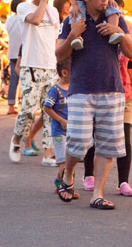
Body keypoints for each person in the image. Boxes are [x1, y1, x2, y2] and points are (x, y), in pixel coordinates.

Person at [55, 0, 132, 209]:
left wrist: (118, 34)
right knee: (78, 141)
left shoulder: (116, 18)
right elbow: (59, 56)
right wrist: (73, 34)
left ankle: (97, 194)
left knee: (107, 145)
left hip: (113, 89)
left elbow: (131, 53)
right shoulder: (73, 19)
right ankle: (68, 173)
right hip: (81, 90)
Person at [82, 0, 132, 197]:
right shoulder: (97, 32)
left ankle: (123, 181)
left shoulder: (124, 33)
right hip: (100, 91)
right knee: (94, 136)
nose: (118, 16)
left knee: (125, 137)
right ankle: (88, 175)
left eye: (120, 13)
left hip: (125, 92)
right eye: (115, 12)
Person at [9, 0, 60, 167]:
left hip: (51, 67)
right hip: (31, 66)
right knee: (28, 111)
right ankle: (16, 140)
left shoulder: (53, 11)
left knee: (49, 111)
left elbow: (54, 39)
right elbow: (37, 20)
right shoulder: (24, 7)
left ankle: (48, 152)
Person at [43, 60, 79, 200]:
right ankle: (66, 187)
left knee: (70, 160)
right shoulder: (55, 90)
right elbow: (47, 107)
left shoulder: (74, 88)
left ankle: (60, 182)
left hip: (72, 130)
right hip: (59, 131)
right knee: (64, 161)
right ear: (64, 73)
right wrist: (61, 120)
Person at [5, 0, 25, 115]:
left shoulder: (9, 20)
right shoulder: (24, 18)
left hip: (12, 52)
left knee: (13, 80)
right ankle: (24, 105)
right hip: (23, 52)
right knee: (25, 79)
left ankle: (11, 106)